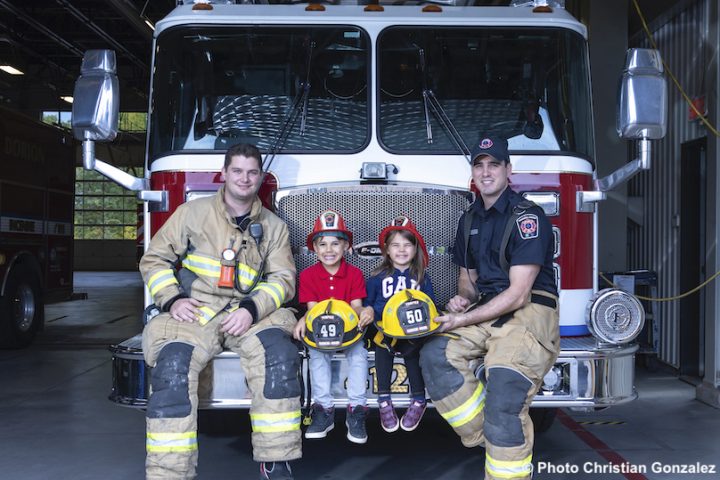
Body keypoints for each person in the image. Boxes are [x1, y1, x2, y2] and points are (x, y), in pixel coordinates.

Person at [140, 143, 301, 480]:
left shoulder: (274, 227)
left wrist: (251, 309)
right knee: (172, 367)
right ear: (225, 174)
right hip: (198, 311)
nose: (245, 178)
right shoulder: (191, 214)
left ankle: (276, 462)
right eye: (238, 171)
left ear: (260, 178)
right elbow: (155, 259)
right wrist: (172, 300)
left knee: (279, 357)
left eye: (252, 172)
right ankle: (169, 473)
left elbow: (283, 280)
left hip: (253, 316)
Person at [419, 136, 559, 480]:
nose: (486, 172)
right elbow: (469, 280)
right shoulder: (468, 219)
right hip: (487, 310)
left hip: (529, 313)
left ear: (508, 170)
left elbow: (519, 294)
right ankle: (491, 434)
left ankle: (502, 431)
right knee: (434, 354)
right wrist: (462, 299)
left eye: (493, 164)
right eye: (479, 165)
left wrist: (461, 318)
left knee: (505, 391)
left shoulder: (529, 217)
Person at [292, 210, 374, 444]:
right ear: (315, 249)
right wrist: (303, 319)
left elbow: (356, 307)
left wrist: (366, 311)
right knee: (317, 355)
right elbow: (313, 310)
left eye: (335, 244)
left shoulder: (355, 274)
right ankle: (324, 409)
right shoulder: (308, 276)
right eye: (323, 244)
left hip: (348, 333)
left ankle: (356, 408)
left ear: (346, 247)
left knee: (358, 354)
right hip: (321, 333)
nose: (329, 250)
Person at [365, 216, 436, 433]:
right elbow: (368, 303)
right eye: (395, 245)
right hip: (384, 330)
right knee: (382, 351)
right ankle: (384, 400)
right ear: (386, 250)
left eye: (407, 245)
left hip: (412, 331)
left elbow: (428, 305)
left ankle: (418, 399)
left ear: (416, 250)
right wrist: (368, 311)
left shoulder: (421, 277)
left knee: (413, 353)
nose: (402, 250)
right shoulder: (377, 277)